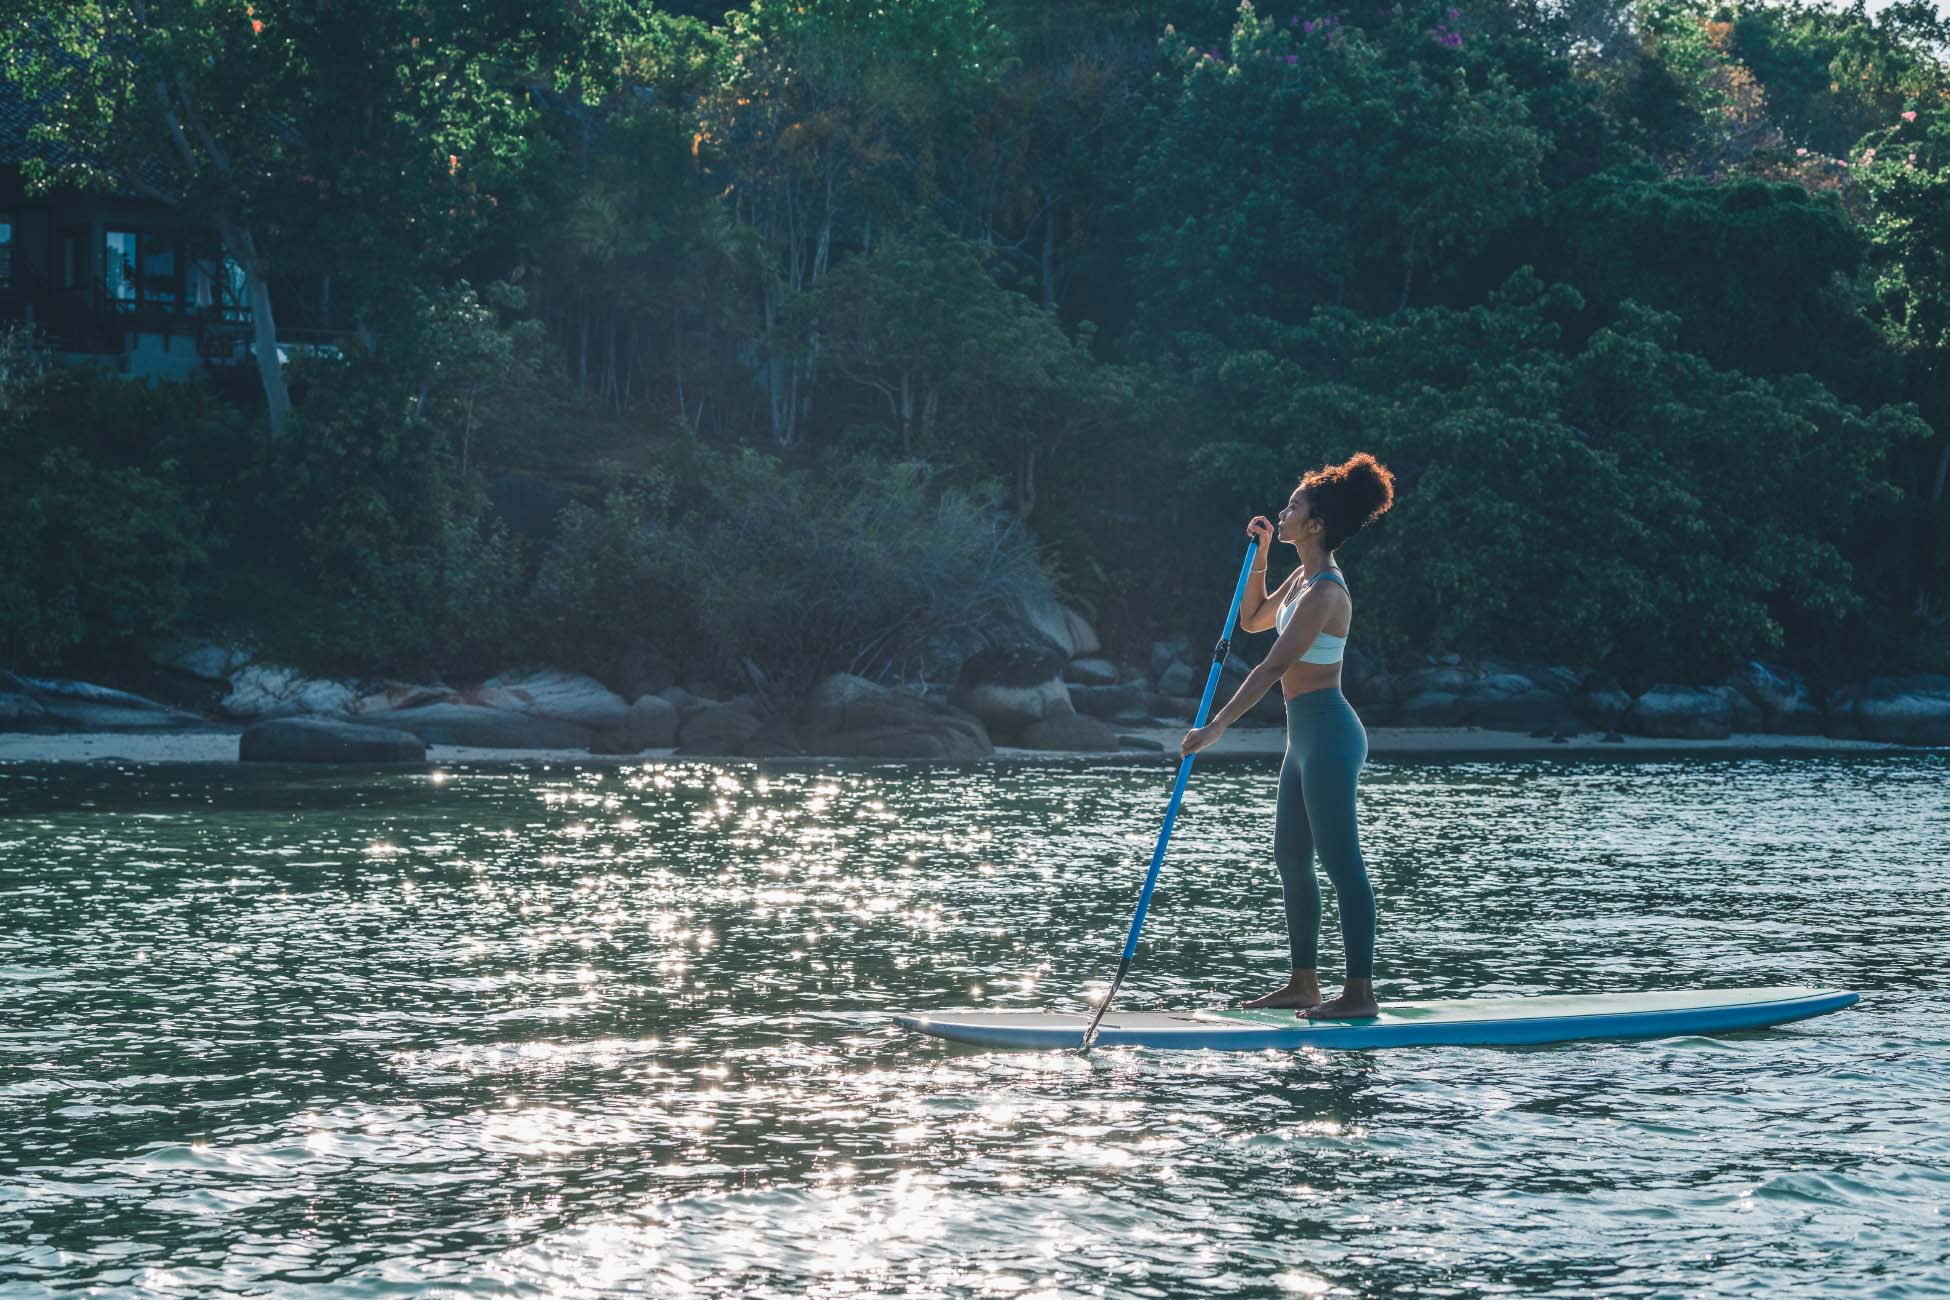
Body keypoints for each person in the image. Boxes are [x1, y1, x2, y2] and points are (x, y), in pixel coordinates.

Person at [1180, 453, 1396, 1019]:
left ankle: (1360, 993)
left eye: (1295, 506)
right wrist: (1259, 555)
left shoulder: (1327, 591)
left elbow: (1272, 665)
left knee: (1340, 860)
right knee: (1291, 857)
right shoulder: (1301, 576)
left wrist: (1217, 727)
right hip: (1302, 738)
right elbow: (1252, 620)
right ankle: (1304, 984)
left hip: (1328, 731)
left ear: (1317, 523)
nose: (1285, 509)